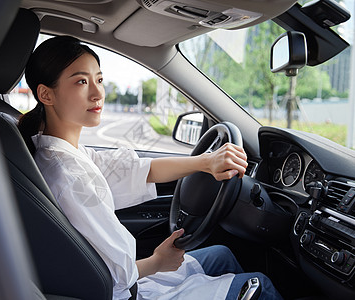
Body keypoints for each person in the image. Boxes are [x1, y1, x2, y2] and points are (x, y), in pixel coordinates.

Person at [18, 36, 283, 300]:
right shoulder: (69, 175)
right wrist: (157, 261)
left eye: (99, 79)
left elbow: (140, 170)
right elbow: (114, 277)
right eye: (81, 82)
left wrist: (206, 162)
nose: (98, 93)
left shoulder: (61, 154)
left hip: (127, 283)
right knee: (260, 286)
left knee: (222, 255)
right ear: (46, 94)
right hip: (126, 293)